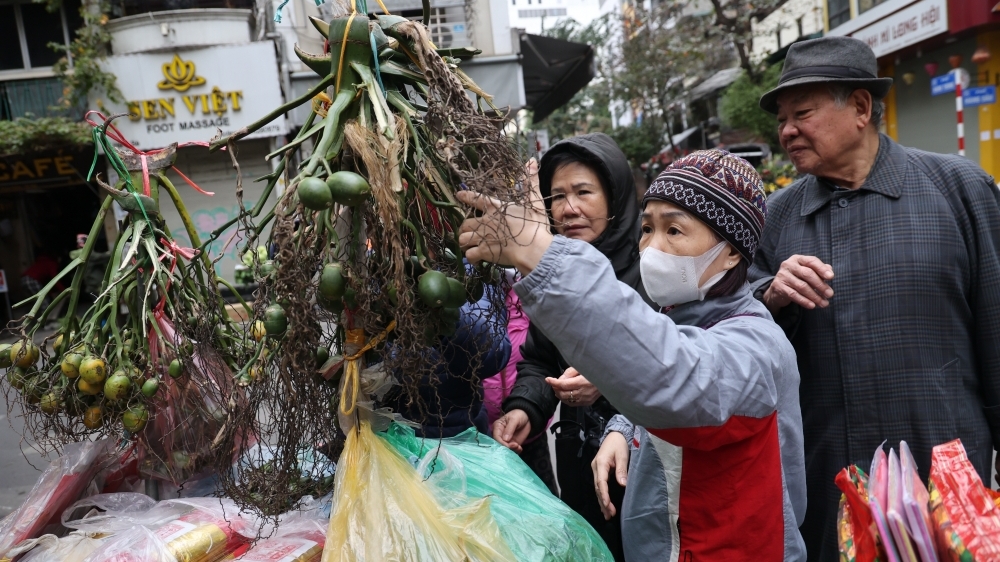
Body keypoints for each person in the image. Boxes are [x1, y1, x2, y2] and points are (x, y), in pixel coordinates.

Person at [459, 149, 807, 561]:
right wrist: (625, 429)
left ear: (732, 253)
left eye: (674, 231)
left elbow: (680, 381)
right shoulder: (678, 317)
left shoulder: (757, 343)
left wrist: (541, 254)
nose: (652, 248)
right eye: (646, 229)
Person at [749, 35, 1000, 561]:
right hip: (828, 485)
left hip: (946, 477)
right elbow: (732, 326)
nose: (787, 130)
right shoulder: (775, 217)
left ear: (861, 107)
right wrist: (769, 294)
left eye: (803, 113)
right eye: (782, 119)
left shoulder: (959, 189)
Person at [491, 133, 654, 559]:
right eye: (557, 196)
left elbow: (673, 368)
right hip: (579, 460)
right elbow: (539, 359)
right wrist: (524, 408)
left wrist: (606, 380)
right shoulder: (556, 280)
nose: (569, 208)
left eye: (584, 192)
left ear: (615, 197)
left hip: (645, 466)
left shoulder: (654, 273)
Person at [384, 273, 511, 439]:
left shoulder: (470, 272)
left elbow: (493, 353)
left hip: (455, 438)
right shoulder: (374, 268)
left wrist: (444, 318)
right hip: (381, 440)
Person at [481, 271, 559, 495]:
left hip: (528, 429)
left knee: (542, 512)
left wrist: (528, 409)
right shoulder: (464, 298)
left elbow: (544, 359)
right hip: (477, 436)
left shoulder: (531, 291)